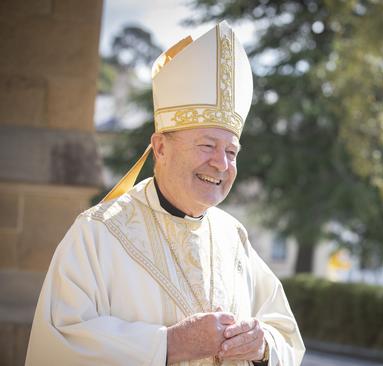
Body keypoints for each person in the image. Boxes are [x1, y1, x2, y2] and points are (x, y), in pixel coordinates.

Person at [26, 21, 305, 365]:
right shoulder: (97, 233)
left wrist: (261, 346)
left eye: (231, 152)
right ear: (160, 147)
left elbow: (285, 336)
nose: (220, 164)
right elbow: (59, 343)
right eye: (206, 145)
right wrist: (169, 343)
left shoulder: (234, 238)